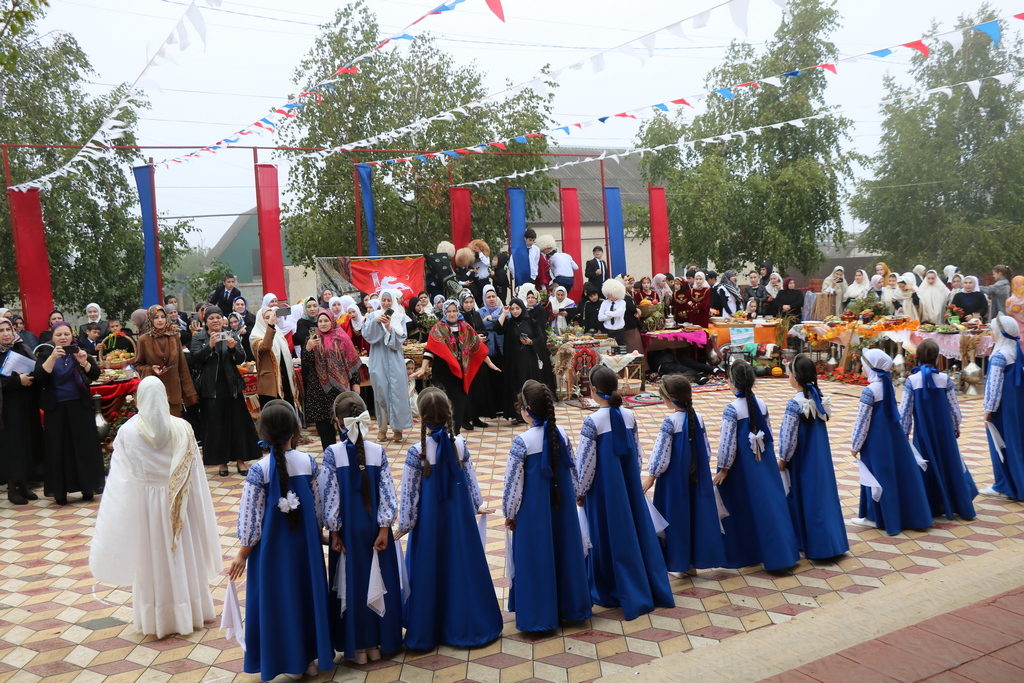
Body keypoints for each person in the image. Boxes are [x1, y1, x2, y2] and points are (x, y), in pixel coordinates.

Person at [89, 377, 220, 638]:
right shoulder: (183, 428)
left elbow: (120, 479)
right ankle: (191, 612)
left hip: (147, 508)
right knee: (182, 555)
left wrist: (125, 512)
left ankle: (158, 619)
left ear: (139, 399)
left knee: (154, 559)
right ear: (164, 397)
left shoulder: (128, 432)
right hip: (181, 503)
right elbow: (195, 477)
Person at [228, 402, 334, 680]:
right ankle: (310, 660)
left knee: (279, 602)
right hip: (306, 549)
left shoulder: (258, 470)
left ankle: (289, 662)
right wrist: (320, 534)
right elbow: (318, 509)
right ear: (295, 432)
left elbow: (251, 519)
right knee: (306, 597)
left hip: (272, 553)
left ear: (263, 432)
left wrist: (242, 553)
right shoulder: (309, 463)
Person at [396, 388, 503, 649]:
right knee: (462, 568)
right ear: (449, 414)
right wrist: (477, 504)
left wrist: (405, 525)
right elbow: (470, 480)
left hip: (429, 525)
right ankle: (467, 624)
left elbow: (410, 494)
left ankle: (429, 628)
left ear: (421, 417)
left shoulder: (416, 452)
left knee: (430, 570)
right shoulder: (459, 445)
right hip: (459, 520)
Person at [575, 366, 673, 619]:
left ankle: (609, 589)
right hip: (628, 486)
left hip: (604, 491)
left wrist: (580, 490)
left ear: (594, 390)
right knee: (635, 532)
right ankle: (644, 584)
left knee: (606, 535)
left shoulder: (592, 421)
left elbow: (585, 463)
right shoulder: (629, 415)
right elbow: (637, 454)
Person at [320, 392, 403, 664]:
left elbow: (330, 498)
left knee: (353, 585)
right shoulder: (378, 451)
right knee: (379, 583)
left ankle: (357, 649)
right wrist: (384, 529)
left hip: (348, 533)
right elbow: (389, 494)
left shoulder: (332, 453)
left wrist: (333, 531)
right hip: (376, 531)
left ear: (338, 421)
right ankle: (380, 643)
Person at [503, 380, 591, 632]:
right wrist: (576, 495)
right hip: (562, 508)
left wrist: (510, 513)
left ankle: (539, 616)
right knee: (565, 553)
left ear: (527, 410)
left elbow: (512, 485)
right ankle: (571, 608)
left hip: (533, 514)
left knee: (536, 558)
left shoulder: (522, 442)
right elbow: (573, 471)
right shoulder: (561, 434)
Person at [713, 362, 800, 570]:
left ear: (732, 382)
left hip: (741, 467)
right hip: (764, 463)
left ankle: (745, 553)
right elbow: (768, 433)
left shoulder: (731, 409)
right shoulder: (761, 404)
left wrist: (724, 468)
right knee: (768, 504)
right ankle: (781, 552)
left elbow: (727, 443)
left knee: (741, 507)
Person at [642, 374, 726, 571]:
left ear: (672, 398)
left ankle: (680, 563)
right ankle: (694, 561)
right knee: (695, 516)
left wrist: (651, 477)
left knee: (676, 518)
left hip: (674, 481)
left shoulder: (670, 422)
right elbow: (706, 451)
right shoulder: (698, 418)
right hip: (697, 478)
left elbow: (661, 454)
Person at [850, 349, 933, 534]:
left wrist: (855, 445)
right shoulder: (889, 386)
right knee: (892, 475)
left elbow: (862, 421)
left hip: (874, 441)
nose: (861, 369)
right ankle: (897, 515)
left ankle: (875, 517)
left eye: (863, 365)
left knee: (874, 476)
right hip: (891, 439)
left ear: (871, 367)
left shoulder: (869, 391)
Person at [777, 356, 849, 559]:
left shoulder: (795, 404)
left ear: (795, 377)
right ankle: (833, 543)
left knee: (806, 498)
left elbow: (788, 437)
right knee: (822, 497)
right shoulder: (818, 399)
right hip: (820, 458)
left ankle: (811, 544)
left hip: (802, 460)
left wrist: (782, 460)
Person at [899, 339, 977, 520]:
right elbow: (953, 407)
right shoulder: (944, 379)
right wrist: (956, 425)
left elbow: (905, 411)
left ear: (917, 356)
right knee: (949, 463)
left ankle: (930, 505)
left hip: (923, 433)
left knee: (925, 465)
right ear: (937, 358)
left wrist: (905, 431)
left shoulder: (912, 380)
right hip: (945, 432)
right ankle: (957, 502)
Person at [35, 322, 103, 505]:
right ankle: (60, 492)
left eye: (66, 334)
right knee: (58, 449)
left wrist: (84, 362)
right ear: (52, 337)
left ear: (72, 336)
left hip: (79, 407)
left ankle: (88, 488)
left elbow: (95, 375)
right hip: (56, 409)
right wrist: (52, 358)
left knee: (83, 447)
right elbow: (39, 376)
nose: (63, 338)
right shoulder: (45, 354)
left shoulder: (79, 352)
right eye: (59, 335)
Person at [190, 307, 261, 476]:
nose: (215, 321)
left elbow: (241, 358)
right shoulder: (199, 337)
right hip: (210, 389)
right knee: (216, 427)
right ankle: (222, 463)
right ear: (205, 321)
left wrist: (231, 348)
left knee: (238, 425)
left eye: (218, 317)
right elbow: (195, 359)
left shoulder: (231, 334)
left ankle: (241, 461)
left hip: (232, 387)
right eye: (211, 318)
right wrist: (210, 345)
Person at [413, 299, 497, 435]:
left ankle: (455, 434)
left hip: (460, 374)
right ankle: (440, 433)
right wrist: (423, 368)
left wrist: (489, 362)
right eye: (449, 311)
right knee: (442, 405)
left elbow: (477, 346)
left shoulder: (465, 327)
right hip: (443, 374)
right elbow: (430, 350)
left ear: (458, 312)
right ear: (444, 312)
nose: (452, 314)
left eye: (454, 311)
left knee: (458, 406)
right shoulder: (438, 328)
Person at [302, 312, 361, 452]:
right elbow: (306, 364)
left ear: (332, 322)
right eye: (320, 321)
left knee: (345, 423)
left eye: (326, 320)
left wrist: (355, 383)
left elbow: (351, 361)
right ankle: (330, 456)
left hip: (340, 389)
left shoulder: (342, 338)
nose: (323, 324)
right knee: (324, 427)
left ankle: (350, 455)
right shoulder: (311, 339)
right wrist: (308, 348)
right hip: (319, 389)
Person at [0, 317, 43, 505]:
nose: (6, 334)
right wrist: (17, 381)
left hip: (26, 404)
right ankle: (12, 489)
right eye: (1, 331)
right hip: (6, 408)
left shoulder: (21, 347)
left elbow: (35, 368)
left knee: (26, 442)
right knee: (12, 446)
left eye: (8, 329)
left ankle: (24, 485)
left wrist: (30, 376)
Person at [362, 290, 413, 443]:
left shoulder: (400, 317)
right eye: (383, 300)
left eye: (389, 300)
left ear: (393, 301)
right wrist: (376, 322)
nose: (386, 303)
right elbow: (367, 335)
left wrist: (389, 328)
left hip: (395, 359)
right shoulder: (373, 316)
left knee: (397, 392)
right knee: (381, 392)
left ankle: (398, 429)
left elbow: (400, 340)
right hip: (377, 358)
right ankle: (382, 428)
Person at [982, 316, 1024, 500]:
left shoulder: (999, 356)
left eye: (992, 330)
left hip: (1002, 409)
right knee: (1016, 442)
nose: (991, 333)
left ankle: (1003, 484)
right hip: (1016, 407)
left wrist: (988, 410)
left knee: (999, 444)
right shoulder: (1016, 351)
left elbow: (994, 386)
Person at [134, 304, 199, 418]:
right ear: (150, 319)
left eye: (162, 317)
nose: (160, 320)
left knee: (174, 424)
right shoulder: (144, 339)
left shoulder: (174, 336)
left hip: (174, 390)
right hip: (154, 392)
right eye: (156, 317)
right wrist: (151, 370)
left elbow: (182, 365)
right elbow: (138, 364)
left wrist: (189, 392)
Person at [495, 298, 542, 423]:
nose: (515, 311)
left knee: (528, 387)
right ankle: (517, 415)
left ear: (522, 309)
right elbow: (497, 328)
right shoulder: (509, 323)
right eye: (512, 309)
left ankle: (531, 413)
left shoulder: (531, 322)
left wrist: (530, 342)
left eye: (517, 308)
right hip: (513, 361)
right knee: (515, 387)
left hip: (528, 361)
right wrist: (504, 313)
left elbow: (540, 339)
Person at [458, 291, 498, 429]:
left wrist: (479, 337)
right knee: (467, 388)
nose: (469, 305)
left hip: (478, 355)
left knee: (478, 387)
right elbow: (462, 335)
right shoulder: (459, 317)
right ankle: (465, 419)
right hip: (466, 357)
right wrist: (476, 338)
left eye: (471, 302)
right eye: (466, 302)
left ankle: (476, 417)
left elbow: (484, 330)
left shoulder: (475, 314)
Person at [250, 307, 299, 409]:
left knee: (287, 410)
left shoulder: (278, 333)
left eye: (272, 317)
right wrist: (270, 326)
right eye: (267, 317)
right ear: (260, 319)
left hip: (284, 378)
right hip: (270, 383)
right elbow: (265, 346)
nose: (271, 319)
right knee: (273, 412)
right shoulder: (255, 335)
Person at [598, 278, 628, 344]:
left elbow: (618, 314)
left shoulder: (622, 302)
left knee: (618, 347)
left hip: (619, 331)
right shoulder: (604, 303)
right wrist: (612, 313)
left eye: (610, 293)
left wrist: (607, 313)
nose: (608, 295)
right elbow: (600, 318)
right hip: (607, 331)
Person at [231, 296, 256, 361]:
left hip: (249, 350)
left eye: (242, 304)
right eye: (237, 304)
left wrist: (246, 332)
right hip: (235, 351)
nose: (240, 306)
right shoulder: (230, 318)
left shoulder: (252, 318)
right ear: (234, 306)